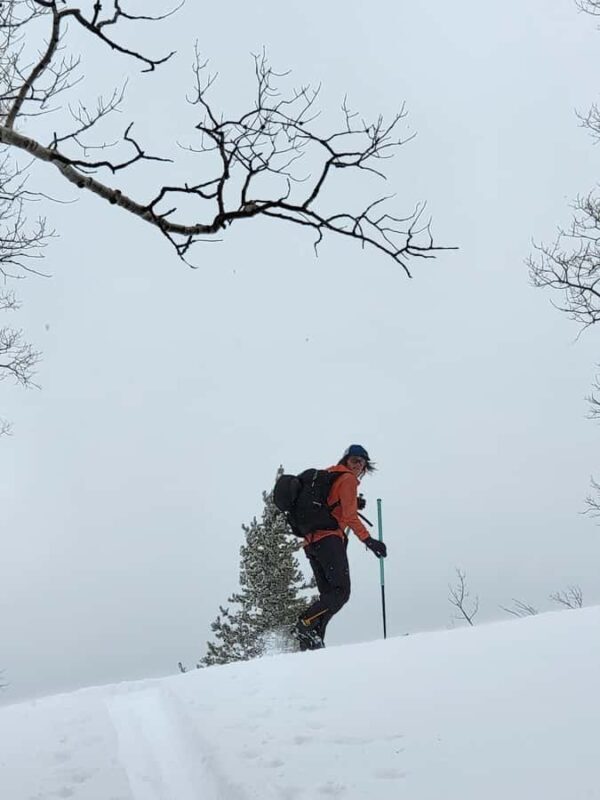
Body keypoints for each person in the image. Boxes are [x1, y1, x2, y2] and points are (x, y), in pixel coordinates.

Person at [292, 444, 387, 651]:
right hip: (329, 541)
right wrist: (369, 541)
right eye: (354, 460)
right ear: (346, 460)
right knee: (341, 593)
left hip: (311, 543)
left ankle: (313, 641)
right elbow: (350, 517)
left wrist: (353, 501)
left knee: (329, 597)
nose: (358, 466)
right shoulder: (348, 479)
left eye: (361, 463)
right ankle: (305, 622)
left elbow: (332, 505)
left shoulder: (329, 476)